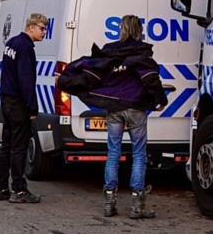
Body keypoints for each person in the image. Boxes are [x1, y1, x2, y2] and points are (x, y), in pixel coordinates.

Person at [57, 15, 168, 219]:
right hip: (135, 108)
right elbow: (150, 79)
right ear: (139, 30)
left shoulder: (109, 51)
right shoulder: (141, 52)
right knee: (139, 154)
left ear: (121, 29)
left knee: (113, 152)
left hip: (113, 108)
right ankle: (137, 205)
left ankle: (109, 202)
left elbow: (93, 74)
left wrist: (66, 81)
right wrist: (161, 100)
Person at [0, 13, 47, 204]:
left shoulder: (12, 43)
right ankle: (19, 189)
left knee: (6, 145)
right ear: (31, 27)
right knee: (19, 147)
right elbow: (26, 79)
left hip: (7, 99)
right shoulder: (25, 47)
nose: (44, 32)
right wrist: (32, 107)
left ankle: (0, 187)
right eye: (41, 28)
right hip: (18, 102)